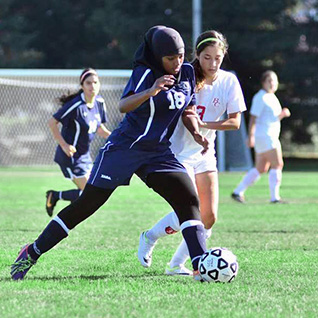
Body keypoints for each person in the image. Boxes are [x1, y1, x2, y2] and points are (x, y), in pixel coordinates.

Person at [11, 25, 209, 282]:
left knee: (189, 200)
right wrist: (152, 90)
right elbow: (124, 105)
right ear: (157, 56)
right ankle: (31, 252)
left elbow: (188, 108)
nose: (176, 62)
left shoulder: (188, 73)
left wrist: (195, 132)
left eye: (180, 56)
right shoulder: (145, 72)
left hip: (158, 152)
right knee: (85, 206)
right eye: (170, 58)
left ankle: (200, 267)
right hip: (123, 149)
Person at [137, 30, 246, 275]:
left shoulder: (229, 81)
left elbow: (235, 122)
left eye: (217, 57)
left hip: (205, 153)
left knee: (209, 217)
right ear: (197, 55)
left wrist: (205, 126)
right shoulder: (185, 74)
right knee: (189, 208)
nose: (212, 63)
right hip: (178, 153)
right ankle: (150, 237)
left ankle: (176, 264)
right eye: (207, 57)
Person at [46, 68, 111, 217]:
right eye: (88, 83)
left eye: (95, 82)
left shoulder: (100, 103)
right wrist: (64, 145)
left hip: (85, 156)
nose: (92, 86)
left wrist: (118, 139)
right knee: (89, 194)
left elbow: (99, 129)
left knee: (90, 194)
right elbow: (52, 122)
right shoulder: (76, 105)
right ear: (82, 85)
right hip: (70, 158)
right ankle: (61, 213)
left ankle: (56, 196)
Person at [231, 70, 291, 203]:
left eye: (274, 81)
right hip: (265, 136)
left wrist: (282, 115)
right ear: (263, 82)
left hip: (266, 136)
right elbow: (253, 118)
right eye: (269, 80)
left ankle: (237, 191)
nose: (272, 83)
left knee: (261, 168)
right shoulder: (261, 97)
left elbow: (271, 118)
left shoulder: (272, 97)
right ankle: (275, 198)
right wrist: (250, 136)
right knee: (278, 164)